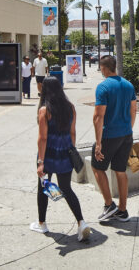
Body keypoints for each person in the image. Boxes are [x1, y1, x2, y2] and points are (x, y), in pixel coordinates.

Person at [31, 76, 92, 241]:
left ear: (45, 90)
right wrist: (70, 149)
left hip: (49, 154)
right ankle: (81, 222)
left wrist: (40, 162)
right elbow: (73, 132)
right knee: (66, 188)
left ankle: (42, 223)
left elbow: (42, 138)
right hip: (65, 152)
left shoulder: (45, 110)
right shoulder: (70, 108)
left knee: (43, 188)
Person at [92, 55, 136, 222]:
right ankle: (122, 210)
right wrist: (128, 129)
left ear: (103, 69)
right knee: (120, 170)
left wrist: (98, 143)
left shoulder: (103, 87)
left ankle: (109, 204)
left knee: (97, 167)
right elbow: (134, 110)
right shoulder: (128, 85)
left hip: (109, 136)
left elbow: (98, 116)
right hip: (126, 134)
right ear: (114, 66)